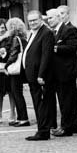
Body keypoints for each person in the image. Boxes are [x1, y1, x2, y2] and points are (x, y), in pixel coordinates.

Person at [22, 10, 55, 141]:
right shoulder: (33, 33)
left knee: (41, 103)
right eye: (30, 21)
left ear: (41, 19)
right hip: (32, 74)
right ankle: (42, 129)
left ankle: (43, 131)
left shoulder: (46, 33)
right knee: (38, 103)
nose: (32, 23)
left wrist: (41, 75)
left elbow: (46, 56)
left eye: (35, 20)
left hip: (39, 76)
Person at [51, 5, 77, 137]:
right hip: (60, 70)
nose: (61, 16)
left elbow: (71, 48)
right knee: (66, 99)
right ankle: (69, 126)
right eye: (59, 14)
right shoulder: (57, 30)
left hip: (67, 70)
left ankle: (67, 127)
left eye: (63, 13)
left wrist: (55, 48)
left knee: (68, 100)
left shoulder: (71, 29)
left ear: (68, 14)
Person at [2, 17, 31, 127]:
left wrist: (6, 65)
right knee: (18, 93)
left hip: (16, 70)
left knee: (17, 94)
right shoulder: (23, 38)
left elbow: (13, 55)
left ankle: (23, 118)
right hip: (22, 69)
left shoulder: (15, 39)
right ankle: (21, 118)